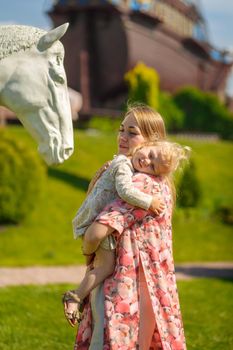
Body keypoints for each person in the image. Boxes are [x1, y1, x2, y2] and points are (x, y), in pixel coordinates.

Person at [63, 103, 187, 349]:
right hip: (148, 287)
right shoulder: (150, 179)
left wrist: (88, 250)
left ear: (152, 139)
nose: (123, 136)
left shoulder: (142, 183)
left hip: (126, 286)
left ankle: (73, 295)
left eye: (132, 132)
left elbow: (96, 232)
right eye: (122, 129)